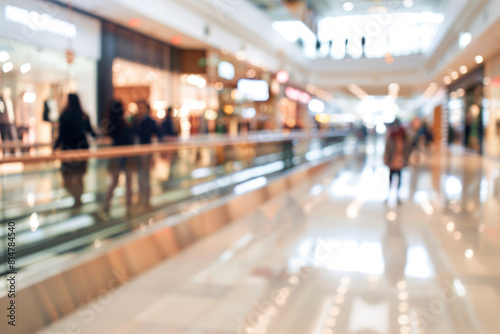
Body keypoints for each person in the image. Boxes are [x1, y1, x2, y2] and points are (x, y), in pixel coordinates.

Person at [53, 93, 97, 208]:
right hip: (82, 152)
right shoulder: (84, 116)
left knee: (67, 179)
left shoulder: (64, 116)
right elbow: (92, 133)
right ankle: (78, 199)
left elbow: (61, 136)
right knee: (80, 177)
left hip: (68, 152)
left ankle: (76, 198)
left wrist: (54, 148)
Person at [103, 100, 135, 215]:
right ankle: (128, 207)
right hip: (126, 155)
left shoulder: (110, 124)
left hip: (116, 155)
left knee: (114, 182)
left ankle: (106, 205)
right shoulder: (124, 124)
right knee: (128, 182)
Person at [132, 99, 163, 209]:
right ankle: (141, 198)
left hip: (146, 154)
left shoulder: (150, 121)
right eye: (139, 107)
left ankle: (146, 200)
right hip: (136, 153)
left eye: (142, 107)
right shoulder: (135, 121)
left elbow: (159, 135)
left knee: (145, 177)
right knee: (139, 177)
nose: (140, 110)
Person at [384, 119, 411, 204]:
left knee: (399, 178)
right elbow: (387, 149)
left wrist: (405, 158)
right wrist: (386, 158)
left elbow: (408, 148)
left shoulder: (404, 137)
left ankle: (398, 195)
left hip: (400, 160)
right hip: (392, 160)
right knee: (391, 177)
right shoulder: (391, 137)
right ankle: (388, 194)